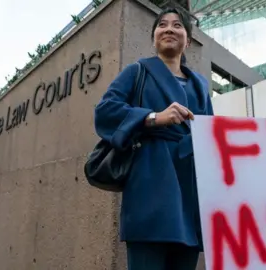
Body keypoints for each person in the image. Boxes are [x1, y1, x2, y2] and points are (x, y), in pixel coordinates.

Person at [94, 7, 213, 270]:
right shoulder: (137, 71)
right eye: (162, 24)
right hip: (150, 183)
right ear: (154, 37)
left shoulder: (201, 84)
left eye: (177, 25)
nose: (169, 29)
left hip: (190, 189)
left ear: (188, 40)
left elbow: (209, 135)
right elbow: (105, 111)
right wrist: (152, 118)